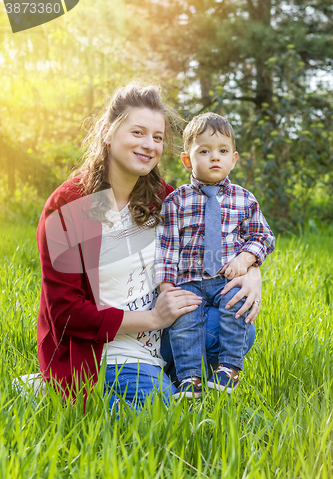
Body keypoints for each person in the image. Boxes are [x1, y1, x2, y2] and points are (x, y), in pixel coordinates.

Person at [36, 84, 263, 411]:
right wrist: (153, 318)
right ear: (107, 131)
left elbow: (222, 241)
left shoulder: (165, 198)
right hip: (103, 352)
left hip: (164, 339)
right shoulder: (67, 206)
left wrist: (253, 270)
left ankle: (169, 380)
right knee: (168, 425)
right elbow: (66, 315)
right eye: (138, 132)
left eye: (157, 137)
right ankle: (55, 390)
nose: (149, 145)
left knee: (236, 326)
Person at [154, 112, 275, 399]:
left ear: (233, 159)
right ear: (187, 160)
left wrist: (246, 259)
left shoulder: (244, 199)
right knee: (184, 323)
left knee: (237, 309)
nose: (214, 158)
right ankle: (189, 379)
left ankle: (229, 368)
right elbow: (168, 246)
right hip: (189, 281)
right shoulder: (176, 201)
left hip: (225, 278)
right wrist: (167, 288)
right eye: (204, 151)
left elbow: (262, 236)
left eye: (222, 151)